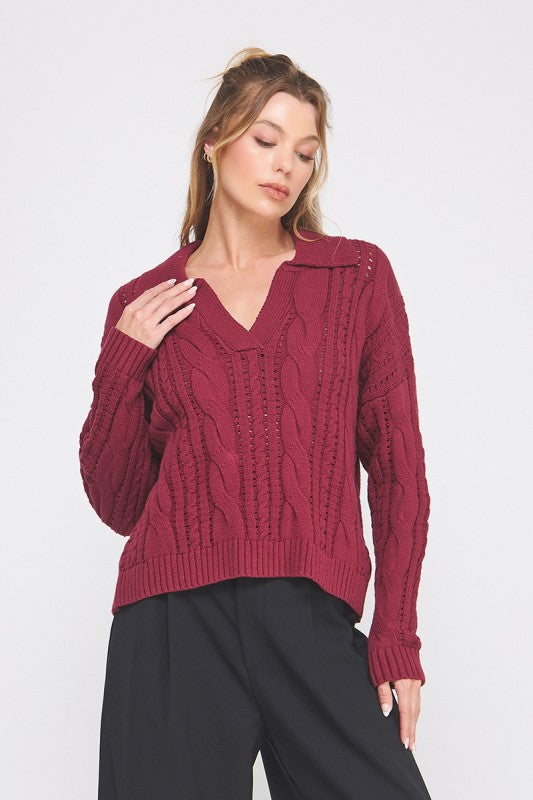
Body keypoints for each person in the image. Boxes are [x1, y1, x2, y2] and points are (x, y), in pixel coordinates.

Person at [79, 46, 433, 799]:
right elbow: (120, 504)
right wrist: (123, 362)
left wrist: (396, 634)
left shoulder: (354, 277)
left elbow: (398, 469)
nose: (286, 167)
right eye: (266, 140)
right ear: (214, 141)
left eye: (305, 153)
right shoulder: (145, 304)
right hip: (171, 622)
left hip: (309, 616)